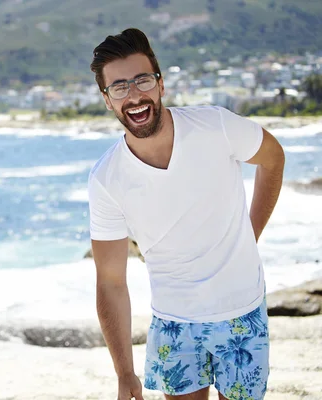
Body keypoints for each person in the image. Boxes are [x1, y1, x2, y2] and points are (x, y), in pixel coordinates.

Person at [87, 28, 285, 400]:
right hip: (174, 322)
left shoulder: (216, 127)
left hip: (242, 311)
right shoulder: (106, 179)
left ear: (160, 85)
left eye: (142, 80)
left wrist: (250, 232)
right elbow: (111, 281)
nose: (133, 95)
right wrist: (125, 372)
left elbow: (273, 159)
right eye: (119, 87)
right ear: (107, 100)